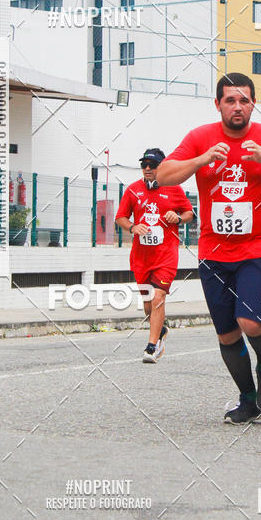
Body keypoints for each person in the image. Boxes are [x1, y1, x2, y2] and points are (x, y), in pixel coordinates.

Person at [156, 73, 261, 423]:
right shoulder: (201, 138)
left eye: (244, 100)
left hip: (258, 248)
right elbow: (163, 176)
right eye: (230, 100)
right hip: (213, 252)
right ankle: (248, 399)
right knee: (227, 333)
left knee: (251, 322)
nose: (238, 107)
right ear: (218, 104)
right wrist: (201, 160)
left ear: (253, 104)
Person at [115, 148, 194, 363]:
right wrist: (132, 227)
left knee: (158, 297)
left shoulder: (174, 189)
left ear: (162, 167)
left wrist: (177, 217)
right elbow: (120, 217)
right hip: (141, 257)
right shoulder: (133, 190)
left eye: (153, 165)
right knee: (148, 305)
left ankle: (152, 347)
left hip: (166, 256)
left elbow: (189, 213)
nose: (148, 169)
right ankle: (160, 330)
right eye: (144, 165)